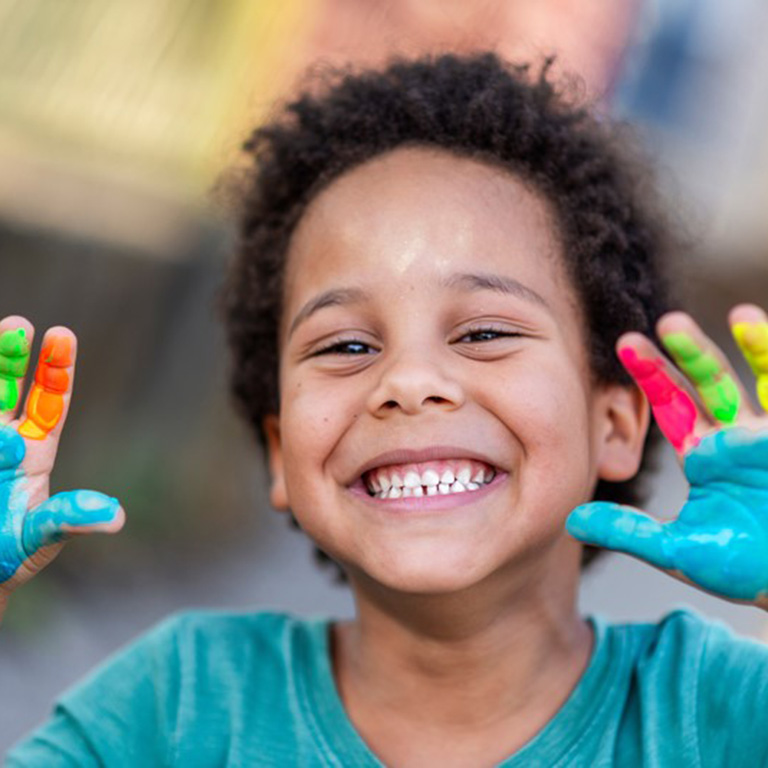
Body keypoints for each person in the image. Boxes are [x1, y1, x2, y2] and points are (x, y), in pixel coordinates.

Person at [5, 52, 768, 766]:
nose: (407, 380)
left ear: (616, 425)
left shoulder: (714, 712)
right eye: (344, 347)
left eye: (485, 332)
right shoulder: (178, 707)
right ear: (279, 452)